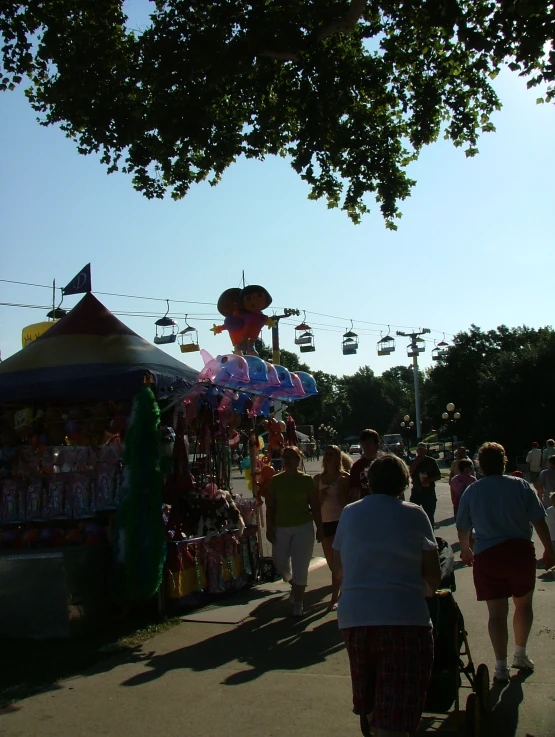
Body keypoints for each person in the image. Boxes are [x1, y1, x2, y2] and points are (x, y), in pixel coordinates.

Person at [333, 454, 441, 737]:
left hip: (356, 617)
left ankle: (375, 723)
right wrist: (424, 588)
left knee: (369, 699)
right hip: (404, 618)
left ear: (369, 481)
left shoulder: (350, 512)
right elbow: (432, 573)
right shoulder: (415, 513)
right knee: (397, 707)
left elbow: (338, 564)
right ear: (404, 482)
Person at [456, 442, 555, 683]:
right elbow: (539, 520)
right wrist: (550, 549)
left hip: (488, 556)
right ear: (504, 462)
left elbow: (463, 526)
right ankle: (520, 653)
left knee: (496, 614)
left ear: (480, 464)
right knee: (523, 606)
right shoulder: (520, 485)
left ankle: (500, 667)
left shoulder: (473, 491)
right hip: (519, 553)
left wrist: (467, 550)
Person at [265, 446, 323, 617]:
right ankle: (294, 584)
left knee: (300, 565)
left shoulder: (306, 480)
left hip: (303, 527)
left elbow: (315, 506)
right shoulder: (276, 481)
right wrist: (269, 528)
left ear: (299, 460)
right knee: (280, 562)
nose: (289, 460)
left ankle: (298, 601)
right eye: (286, 457)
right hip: (281, 527)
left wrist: (320, 528)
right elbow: (270, 507)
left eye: (293, 457)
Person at [314, 445, 350, 609]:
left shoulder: (344, 477)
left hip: (340, 522)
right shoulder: (318, 479)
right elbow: (315, 506)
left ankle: (335, 598)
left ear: (338, 458)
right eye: (326, 454)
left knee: (338, 561)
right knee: (330, 562)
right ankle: (342, 588)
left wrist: (341, 488)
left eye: (332, 454)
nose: (328, 457)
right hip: (325, 523)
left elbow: (346, 503)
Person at [409, 442, 442, 527]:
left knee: (429, 514)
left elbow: (438, 476)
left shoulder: (431, 461)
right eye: (418, 450)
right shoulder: (413, 461)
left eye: (422, 450)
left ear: (425, 451)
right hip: (416, 490)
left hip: (429, 491)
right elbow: (409, 474)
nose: (420, 452)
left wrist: (429, 480)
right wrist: (415, 463)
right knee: (413, 513)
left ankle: (430, 532)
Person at [349, 429, 381, 501]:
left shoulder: (386, 463)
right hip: (365, 505)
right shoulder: (357, 466)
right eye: (363, 442)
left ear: (377, 444)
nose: (366, 445)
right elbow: (354, 492)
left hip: (384, 504)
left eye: (369, 441)